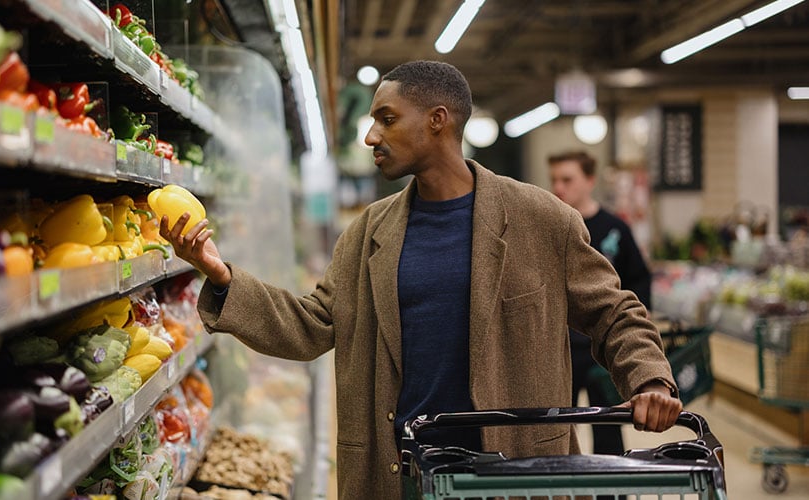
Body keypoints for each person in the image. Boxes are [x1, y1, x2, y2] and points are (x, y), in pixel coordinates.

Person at [160, 60, 682, 499]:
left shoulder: (540, 220)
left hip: (511, 473)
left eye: (387, 119)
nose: (370, 136)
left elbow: (614, 311)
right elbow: (311, 325)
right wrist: (220, 274)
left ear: (438, 120)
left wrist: (650, 378)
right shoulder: (368, 232)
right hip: (401, 475)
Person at [549, 151, 654, 457]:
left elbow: (639, 280)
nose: (559, 187)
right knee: (556, 430)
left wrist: (634, 327)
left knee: (608, 428)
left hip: (603, 352)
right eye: (554, 179)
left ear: (590, 181)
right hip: (559, 349)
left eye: (567, 179)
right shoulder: (548, 228)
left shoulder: (614, 229)